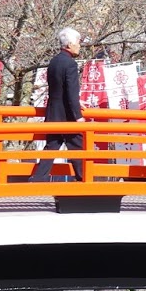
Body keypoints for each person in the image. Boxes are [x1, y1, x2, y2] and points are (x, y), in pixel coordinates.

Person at [30, 27, 85, 181]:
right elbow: (71, 93)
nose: (79, 46)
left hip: (53, 113)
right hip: (67, 116)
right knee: (79, 149)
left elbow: (58, 90)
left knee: (51, 148)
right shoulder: (70, 64)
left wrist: (78, 103)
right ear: (70, 44)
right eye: (78, 43)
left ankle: (37, 179)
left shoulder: (54, 62)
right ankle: (84, 180)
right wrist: (78, 116)